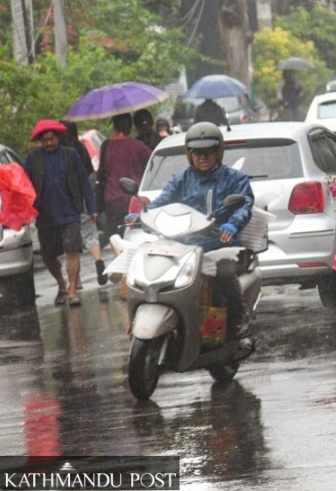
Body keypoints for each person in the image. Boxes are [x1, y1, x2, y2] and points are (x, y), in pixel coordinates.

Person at [136, 122, 255, 347]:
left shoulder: (234, 179)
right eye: (197, 152)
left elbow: (245, 204)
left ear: (218, 151)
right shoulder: (180, 178)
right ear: (189, 154)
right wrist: (142, 213)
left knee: (225, 272)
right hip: (184, 245)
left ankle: (240, 318)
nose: (203, 156)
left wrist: (233, 224)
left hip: (219, 244)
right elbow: (163, 201)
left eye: (208, 151)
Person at [22, 120, 98, 306]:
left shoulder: (70, 155)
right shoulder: (33, 159)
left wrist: (92, 207)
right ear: (40, 141)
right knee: (48, 256)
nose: (48, 143)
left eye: (52, 139)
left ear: (58, 138)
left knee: (72, 250)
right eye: (45, 140)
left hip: (70, 213)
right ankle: (61, 284)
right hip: (45, 215)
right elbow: (23, 185)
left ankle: (72, 291)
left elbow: (83, 181)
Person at [59, 120, 107, 286]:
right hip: (84, 197)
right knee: (90, 232)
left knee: (72, 239)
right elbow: (89, 175)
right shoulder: (81, 148)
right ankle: (98, 259)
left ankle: (76, 280)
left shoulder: (62, 153)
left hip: (67, 201)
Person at [97, 113, 152, 253]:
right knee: (135, 237)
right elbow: (152, 165)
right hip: (133, 199)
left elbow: (101, 173)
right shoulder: (139, 146)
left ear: (114, 126)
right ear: (130, 126)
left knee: (116, 237)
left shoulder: (106, 146)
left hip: (111, 200)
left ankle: (120, 265)